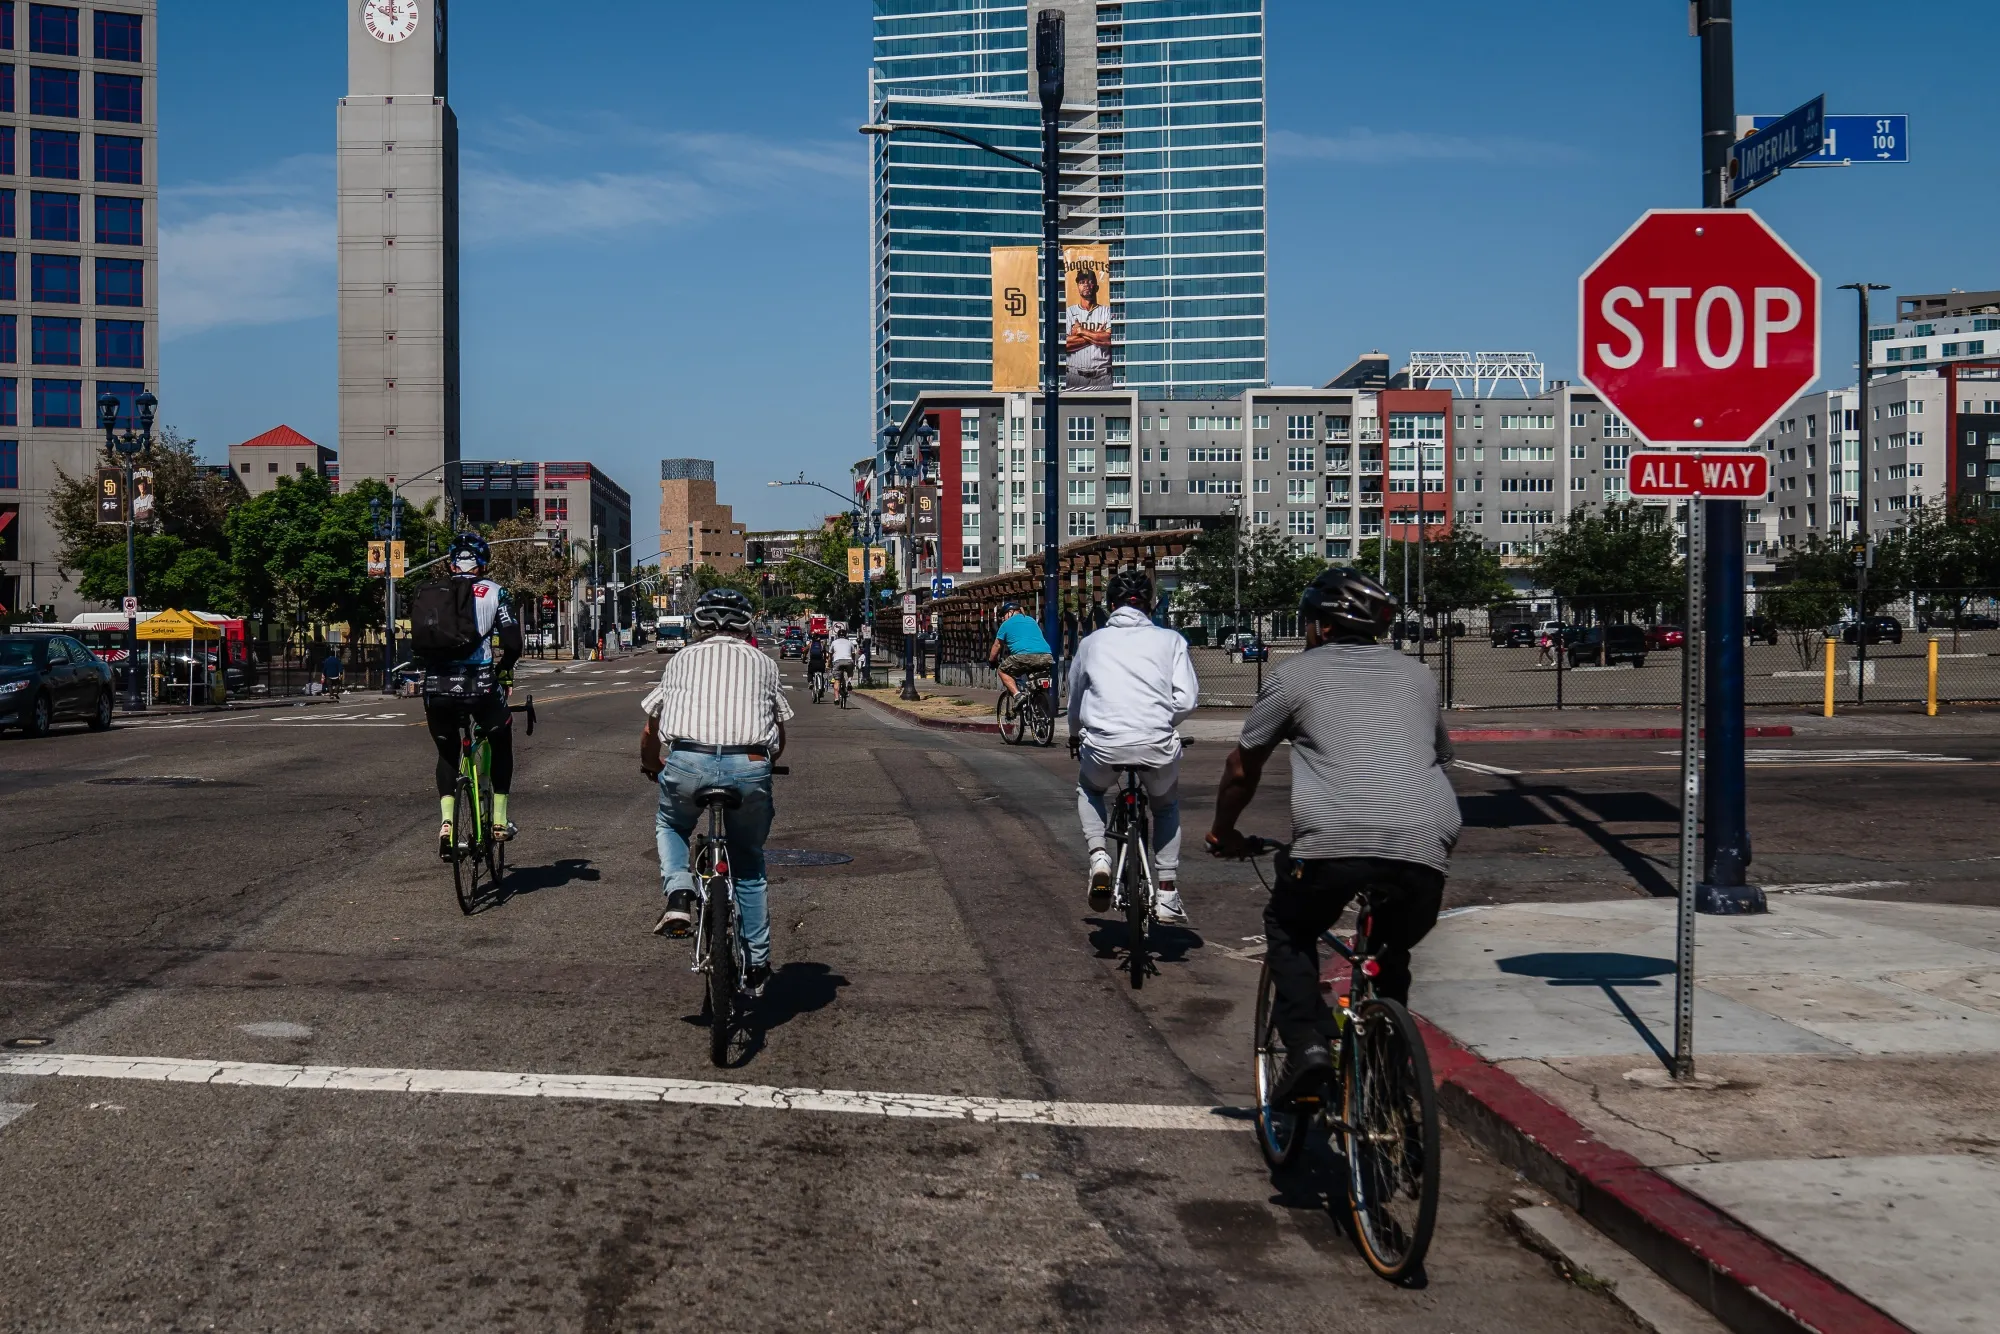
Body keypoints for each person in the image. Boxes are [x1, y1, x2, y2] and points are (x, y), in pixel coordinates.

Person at [1207, 567, 1461, 1109]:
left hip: (1334, 841)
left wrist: (1223, 832)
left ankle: (1307, 1048)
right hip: (1426, 840)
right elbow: (1440, 756)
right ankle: (1393, 1099)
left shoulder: (1293, 675)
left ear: (1319, 627)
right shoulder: (1418, 676)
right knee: (1390, 959)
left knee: (1288, 926)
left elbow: (1241, 769)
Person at [639, 587, 793, 996]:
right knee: (749, 862)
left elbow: (652, 728)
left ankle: (678, 893)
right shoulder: (764, 663)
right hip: (751, 766)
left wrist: (652, 765)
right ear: (747, 625)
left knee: (670, 824)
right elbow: (778, 733)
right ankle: (757, 963)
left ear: (698, 623)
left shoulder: (680, 660)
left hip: (688, 761)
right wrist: (766, 758)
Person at [1066, 570, 1199, 923]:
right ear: (1151, 606)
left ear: (1110, 607)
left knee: (1089, 789)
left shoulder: (1091, 643)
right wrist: (1158, 723)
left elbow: (1076, 700)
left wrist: (1074, 734)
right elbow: (1186, 700)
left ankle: (1099, 857)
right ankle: (1167, 893)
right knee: (1166, 805)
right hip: (1156, 745)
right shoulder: (1171, 640)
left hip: (1104, 747)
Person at [424, 533, 524, 859]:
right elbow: (512, 643)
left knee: (447, 753)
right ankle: (498, 820)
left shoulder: (431, 592)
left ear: (450, 563)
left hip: (437, 686)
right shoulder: (494, 592)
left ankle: (447, 824)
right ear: (482, 563)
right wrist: (505, 669)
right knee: (501, 738)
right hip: (479, 685)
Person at [989, 602, 1054, 699]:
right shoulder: (1031, 620)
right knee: (1037, 677)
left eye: (1003, 615)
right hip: (1046, 656)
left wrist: (992, 660)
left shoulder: (1006, 624)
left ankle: (1018, 695)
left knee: (1002, 670)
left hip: (1023, 657)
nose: (1003, 619)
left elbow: (997, 645)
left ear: (1010, 612)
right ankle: (1039, 702)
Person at [1064, 264, 1113, 391]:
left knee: (1106, 411)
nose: (1086, 285)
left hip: (1102, 376)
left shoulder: (1106, 312)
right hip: (1074, 376)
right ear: (1078, 287)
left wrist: (1081, 331)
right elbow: (1066, 344)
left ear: (1096, 287)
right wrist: (1096, 336)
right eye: (1082, 282)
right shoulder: (1068, 312)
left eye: (1090, 282)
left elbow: (1108, 340)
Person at [828, 628, 857, 698]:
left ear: (838, 635)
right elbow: (853, 654)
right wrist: (853, 662)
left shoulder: (834, 642)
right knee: (850, 672)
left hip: (837, 661)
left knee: (837, 680)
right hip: (848, 661)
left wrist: (829, 663)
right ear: (846, 635)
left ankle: (836, 698)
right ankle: (849, 681)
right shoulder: (850, 642)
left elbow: (830, 655)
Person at [804, 633, 829, 700]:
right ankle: (822, 688)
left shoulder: (810, 644)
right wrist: (825, 661)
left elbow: (804, 651)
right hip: (820, 663)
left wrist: (804, 658)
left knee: (810, 673)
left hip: (812, 662)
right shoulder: (822, 644)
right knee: (822, 675)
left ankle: (811, 682)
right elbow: (825, 653)